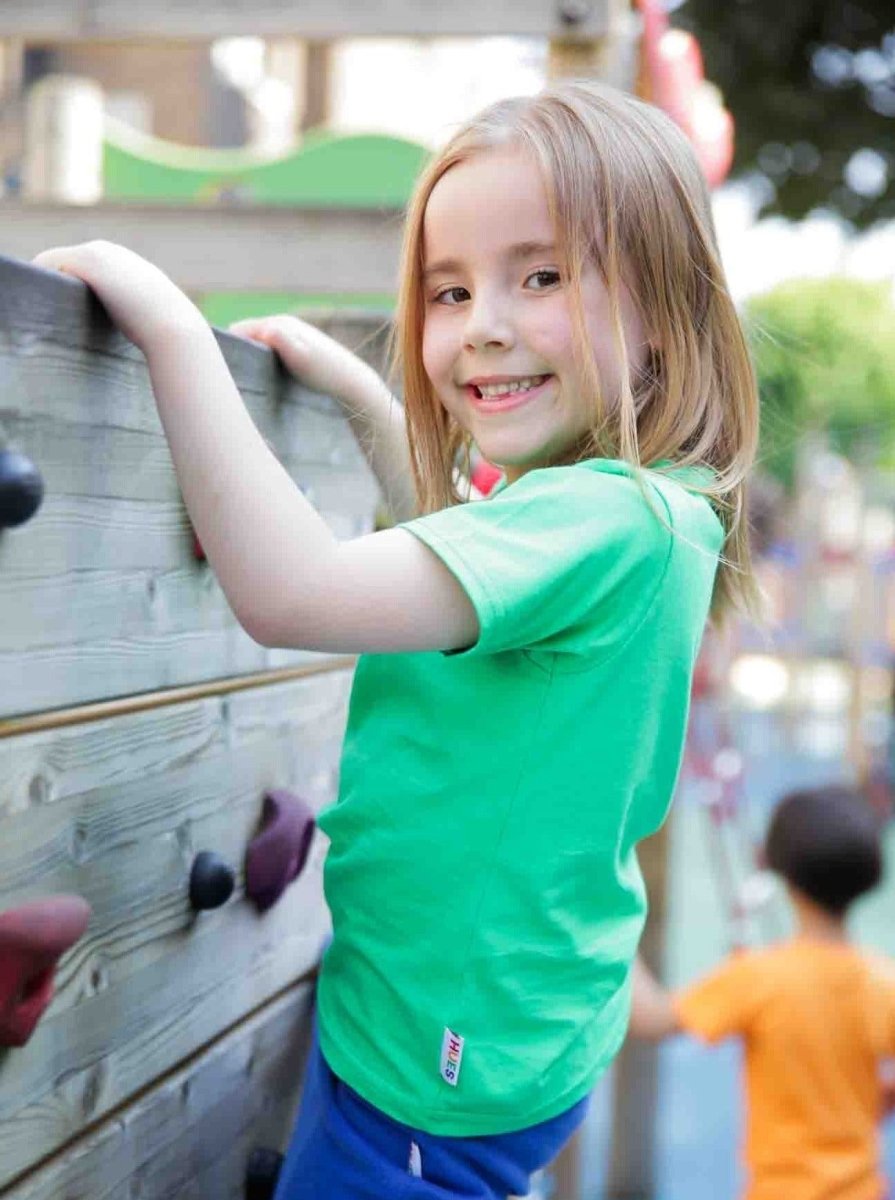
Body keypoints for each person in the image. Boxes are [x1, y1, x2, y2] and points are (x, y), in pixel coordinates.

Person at [33, 79, 758, 1199]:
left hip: (437, 1067)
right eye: (449, 289)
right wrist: (371, 403)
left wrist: (172, 331)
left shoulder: (602, 519)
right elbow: (461, 556)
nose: (484, 327)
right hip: (480, 1013)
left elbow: (294, 592)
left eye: (543, 275)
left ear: (664, 305)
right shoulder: (635, 511)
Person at [629, 785, 895, 1200]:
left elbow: (653, 1019)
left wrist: (614, 933)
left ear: (783, 872)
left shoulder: (760, 977)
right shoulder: (883, 981)